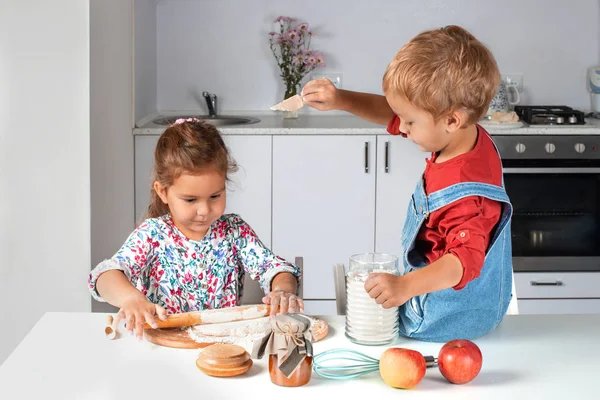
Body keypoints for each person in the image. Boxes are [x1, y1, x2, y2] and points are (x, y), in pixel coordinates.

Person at [301, 25, 513, 342]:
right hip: (452, 298)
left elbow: (461, 262)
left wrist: (404, 288)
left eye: (409, 122)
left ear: (452, 120)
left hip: (444, 318)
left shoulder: (467, 194)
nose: (400, 126)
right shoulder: (464, 135)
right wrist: (341, 99)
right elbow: (394, 111)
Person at [88, 118, 302, 339]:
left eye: (215, 196)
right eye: (190, 200)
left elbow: (277, 269)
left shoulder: (234, 231)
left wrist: (282, 290)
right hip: (164, 345)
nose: (204, 210)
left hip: (221, 346)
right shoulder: (152, 234)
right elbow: (104, 276)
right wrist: (130, 298)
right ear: (163, 192)